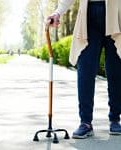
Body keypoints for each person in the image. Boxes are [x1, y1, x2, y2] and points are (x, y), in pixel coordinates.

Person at [47, 0, 121, 139]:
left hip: (115, 14)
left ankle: (115, 119)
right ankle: (85, 122)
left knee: (116, 71)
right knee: (85, 71)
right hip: (89, 16)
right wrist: (58, 12)